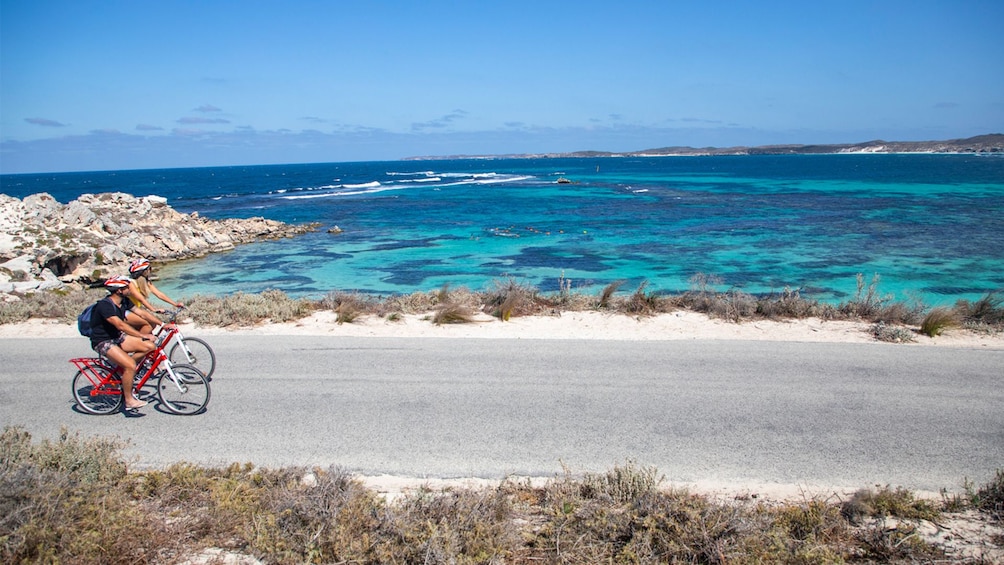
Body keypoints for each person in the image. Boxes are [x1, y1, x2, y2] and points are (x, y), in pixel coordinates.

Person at [89, 276, 156, 411]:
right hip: (103, 341)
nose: (129, 289)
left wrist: (162, 324)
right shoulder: (105, 305)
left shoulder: (124, 301)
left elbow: (141, 313)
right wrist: (142, 335)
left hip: (118, 338)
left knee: (150, 346)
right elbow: (120, 325)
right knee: (131, 365)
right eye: (126, 287)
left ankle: (124, 372)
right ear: (119, 291)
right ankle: (129, 400)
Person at [126, 258, 183, 334]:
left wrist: (175, 304)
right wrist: (153, 309)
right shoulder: (131, 283)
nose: (151, 270)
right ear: (144, 271)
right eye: (149, 268)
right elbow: (141, 299)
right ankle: (138, 343)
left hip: (135, 310)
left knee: (153, 323)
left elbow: (159, 294)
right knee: (148, 325)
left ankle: (144, 343)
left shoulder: (145, 281)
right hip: (125, 311)